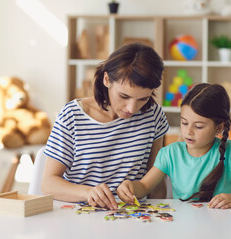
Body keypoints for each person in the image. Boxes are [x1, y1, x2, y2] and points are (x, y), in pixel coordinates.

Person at [42, 43, 169, 209]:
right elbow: (49, 184)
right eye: (124, 96)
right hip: (81, 213)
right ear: (107, 79)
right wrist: (88, 193)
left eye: (143, 99)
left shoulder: (153, 116)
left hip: (134, 216)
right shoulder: (72, 116)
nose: (131, 108)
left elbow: (156, 182)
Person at [117, 83, 231, 209]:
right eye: (184, 122)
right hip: (182, 226)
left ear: (219, 128)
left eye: (199, 126)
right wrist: (130, 186)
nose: (188, 131)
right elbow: (144, 186)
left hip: (221, 225)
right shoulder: (170, 153)